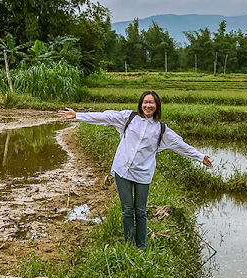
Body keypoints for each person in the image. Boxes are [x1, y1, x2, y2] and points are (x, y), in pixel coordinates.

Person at [58, 90, 212, 250]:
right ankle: (128, 244)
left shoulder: (161, 129)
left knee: (140, 211)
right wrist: (78, 116)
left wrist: (200, 157)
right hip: (122, 170)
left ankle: (141, 246)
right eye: (145, 102)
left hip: (143, 174)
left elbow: (180, 145)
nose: (148, 105)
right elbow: (106, 117)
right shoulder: (128, 118)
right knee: (127, 210)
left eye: (151, 102)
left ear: (157, 106)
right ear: (140, 104)